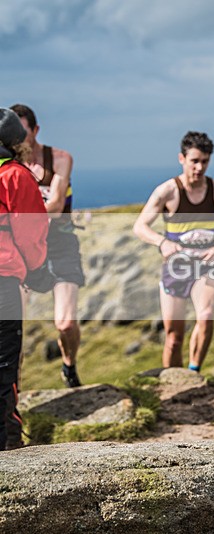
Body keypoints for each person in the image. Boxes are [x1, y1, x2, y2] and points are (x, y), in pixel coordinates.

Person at [133, 132, 214, 372]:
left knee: (206, 317)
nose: (200, 167)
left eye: (205, 161)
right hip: (176, 268)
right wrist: (162, 243)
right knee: (173, 336)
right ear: (182, 159)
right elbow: (139, 226)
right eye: (194, 161)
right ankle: (173, 385)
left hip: (206, 266)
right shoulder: (167, 191)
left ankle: (194, 372)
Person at [11, 104, 84, 388]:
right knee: (12, 326)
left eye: (22, 132)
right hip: (21, 250)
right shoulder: (9, 166)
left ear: (36, 130)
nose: (17, 139)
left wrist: (20, 211)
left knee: (65, 323)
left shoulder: (59, 158)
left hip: (59, 243)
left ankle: (69, 366)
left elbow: (54, 206)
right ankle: (12, 393)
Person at [0, 108, 49, 450]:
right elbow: (31, 235)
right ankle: (7, 445)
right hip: (3, 280)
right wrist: (36, 269)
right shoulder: (16, 176)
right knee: (3, 366)